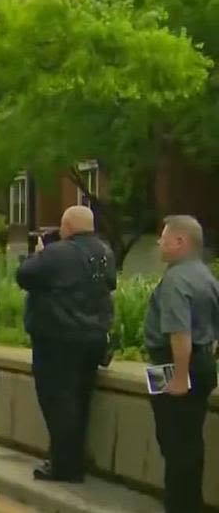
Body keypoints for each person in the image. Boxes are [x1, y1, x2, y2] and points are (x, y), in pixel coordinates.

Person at [15, 205, 116, 482]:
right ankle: (76, 457)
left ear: (67, 226)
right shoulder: (105, 253)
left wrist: (39, 254)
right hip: (93, 339)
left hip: (58, 339)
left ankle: (65, 465)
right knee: (81, 399)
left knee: (58, 401)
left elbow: (24, 275)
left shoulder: (56, 253)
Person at [144, 215, 218, 513]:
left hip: (175, 365)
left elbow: (179, 333)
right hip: (203, 363)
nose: (159, 243)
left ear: (180, 241)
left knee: (174, 442)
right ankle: (192, 502)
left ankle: (179, 505)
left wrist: (180, 376)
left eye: (164, 238)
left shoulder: (176, 280)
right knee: (190, 440)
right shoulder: (206, 276)